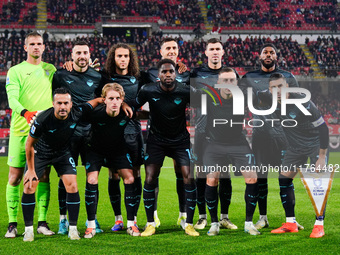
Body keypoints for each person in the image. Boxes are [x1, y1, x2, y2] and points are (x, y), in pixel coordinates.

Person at [22, 87, 103, 241]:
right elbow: (29, 145)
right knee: (29, 185)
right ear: (53, 104)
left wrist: (102, 99)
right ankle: (28, 230)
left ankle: (72, 229)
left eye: (66, 103)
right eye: (59, 103)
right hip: (41, 153)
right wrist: (31, 170)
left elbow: (91, 103)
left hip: (62, 153)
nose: (63, 106)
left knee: (72, 184)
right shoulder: (42, 119)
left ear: (71, 104)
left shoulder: (77, 112)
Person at [239, 43, 304, 230]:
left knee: (286, 178)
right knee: (261, 177)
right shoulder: (249, 77)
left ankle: (290, 219)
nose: (268, 55)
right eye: (265, 52)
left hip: (285, 135)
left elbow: (297, 102)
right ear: (259, 56)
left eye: (272, 52)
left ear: (277, 56)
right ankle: (263, 217)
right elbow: (240, 99)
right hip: (261, 135)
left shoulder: (288, 77)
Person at [132, 59, 198, 237]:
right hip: (156, 141)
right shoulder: (148, 89)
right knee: (150, 179)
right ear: (158, 74)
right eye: (164, 72)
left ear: (175, 73)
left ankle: (189, 224)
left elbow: (202, 107)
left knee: (188, 178)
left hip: (180, 140)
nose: (168, 75)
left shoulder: (185, 90)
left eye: (171, 72)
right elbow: (133, 107)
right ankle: (150, 223)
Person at [195, 67, 259, 235]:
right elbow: (200, 127)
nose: (229, 84)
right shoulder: (208, 98)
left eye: (232, 80)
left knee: (252, 177)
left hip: (238, 142)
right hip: (214, 144)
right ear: (218, 83)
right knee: (212, 178)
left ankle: (248, 223)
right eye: (225, 81)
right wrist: (197, 153)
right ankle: (214, 223)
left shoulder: (244, 96)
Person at [5, 31, 56, 238]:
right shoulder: (15, 71)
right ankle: (12, 223)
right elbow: (12, 100)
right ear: (25, 47)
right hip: (20, 130)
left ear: (44, 47)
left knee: (43, 175)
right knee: (16, 177)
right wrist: (26, 113)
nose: (36, 47)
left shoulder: (50, 69)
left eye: (40, 44)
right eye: (32, 44)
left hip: (44, 132)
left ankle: (42, 222)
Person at [267, 73, 329, 238]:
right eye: (273, 87)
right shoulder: (271, 103)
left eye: (280, 86)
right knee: (284, 179)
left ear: (287, 86)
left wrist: (321, 156)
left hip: (314, 145)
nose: (277, 91)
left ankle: (319, 224)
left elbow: (323, 128)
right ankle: (290, 222)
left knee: (318, 184)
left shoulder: (303, 102)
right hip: (294, 148)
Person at [52, 41, 103, 235]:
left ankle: (92, 221)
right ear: (71, 56)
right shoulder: (61, 75)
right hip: (68, 135)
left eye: (85, 52)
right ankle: (63, 220)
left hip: (91, 134)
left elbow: (102, 100)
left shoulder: (97, 76)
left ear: (90, 56)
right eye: (78, 53)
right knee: (66, 178)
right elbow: (54, 101)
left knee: (92, 178)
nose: (82, 56)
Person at [83, 83, 140, 238]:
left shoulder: (126, 113)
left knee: (129, 179)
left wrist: (126, 104)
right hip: (95, 150)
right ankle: (91, 225)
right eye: (111, 98)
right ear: (104, 100)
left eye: (117, 98)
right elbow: (81, 111)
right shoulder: (95, 114)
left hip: (117, 149)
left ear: (122, 100)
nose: (114, 101)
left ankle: (130, 224)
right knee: (92, 180)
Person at [191, 38, 236, 231]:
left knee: (225, 175)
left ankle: (224, 217)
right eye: (212, 49)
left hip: (225, 132)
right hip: (203, 131)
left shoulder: (230, 74)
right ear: (206, 53)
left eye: (218, 48)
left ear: (223, 52)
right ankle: (202, 217)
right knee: (201, 174)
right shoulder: (196, 73)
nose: (215, 52)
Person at [145, 37, 189, 229]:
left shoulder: (186, 73)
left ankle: (183, 214)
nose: (171, 50)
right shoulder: (148, 74)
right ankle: (152, 216)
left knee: (183, 173)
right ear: (160, 51)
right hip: (156, 134)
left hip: (179, 134)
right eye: (167, 48)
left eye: (174, 48)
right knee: (152, 175)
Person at [99, 43, 144, 232]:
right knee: (114, 174)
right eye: (119, 56)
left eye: (126, 56)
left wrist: (179, 65)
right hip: (112, 133)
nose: (123, 59)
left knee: (135, 174)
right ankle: (118, 218)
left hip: (134, 133)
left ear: (130, 58)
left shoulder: (140, 78)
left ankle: (132, 220)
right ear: (113, 58)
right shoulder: (104, 77)